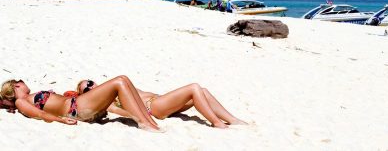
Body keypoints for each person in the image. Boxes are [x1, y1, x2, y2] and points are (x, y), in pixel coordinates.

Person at [0, 76, 160, 131]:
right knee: (119, 81)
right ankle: (146, 122)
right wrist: (61, 120)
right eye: (22, 81)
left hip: (78, 105)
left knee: (123, 80)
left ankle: (148, 120)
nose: (24, 83)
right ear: (16, 85)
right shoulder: (21, 101)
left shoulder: (27, 98)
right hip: (76, 108)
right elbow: (40, 115)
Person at [77, 79, 246, 129]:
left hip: (160, 101)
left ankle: (232, 119)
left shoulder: (114, 86)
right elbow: (123, 113)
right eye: (87, 89)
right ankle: (217, 123)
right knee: (194, 88)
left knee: (203, 90)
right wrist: (143, 115)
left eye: (90, 82)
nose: (91, 86)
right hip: (154, 107)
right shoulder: (107, 101)